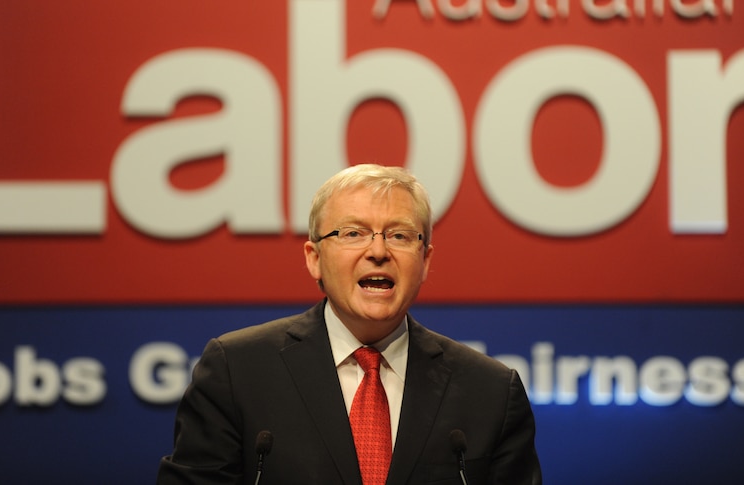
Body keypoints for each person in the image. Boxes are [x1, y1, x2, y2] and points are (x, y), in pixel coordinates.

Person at [157, 164, 542, 484]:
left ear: (424, 261)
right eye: (353, 233)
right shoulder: (237, 371)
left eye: (400, 235)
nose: (377, 251)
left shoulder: (490, 393)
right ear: (314, 258)